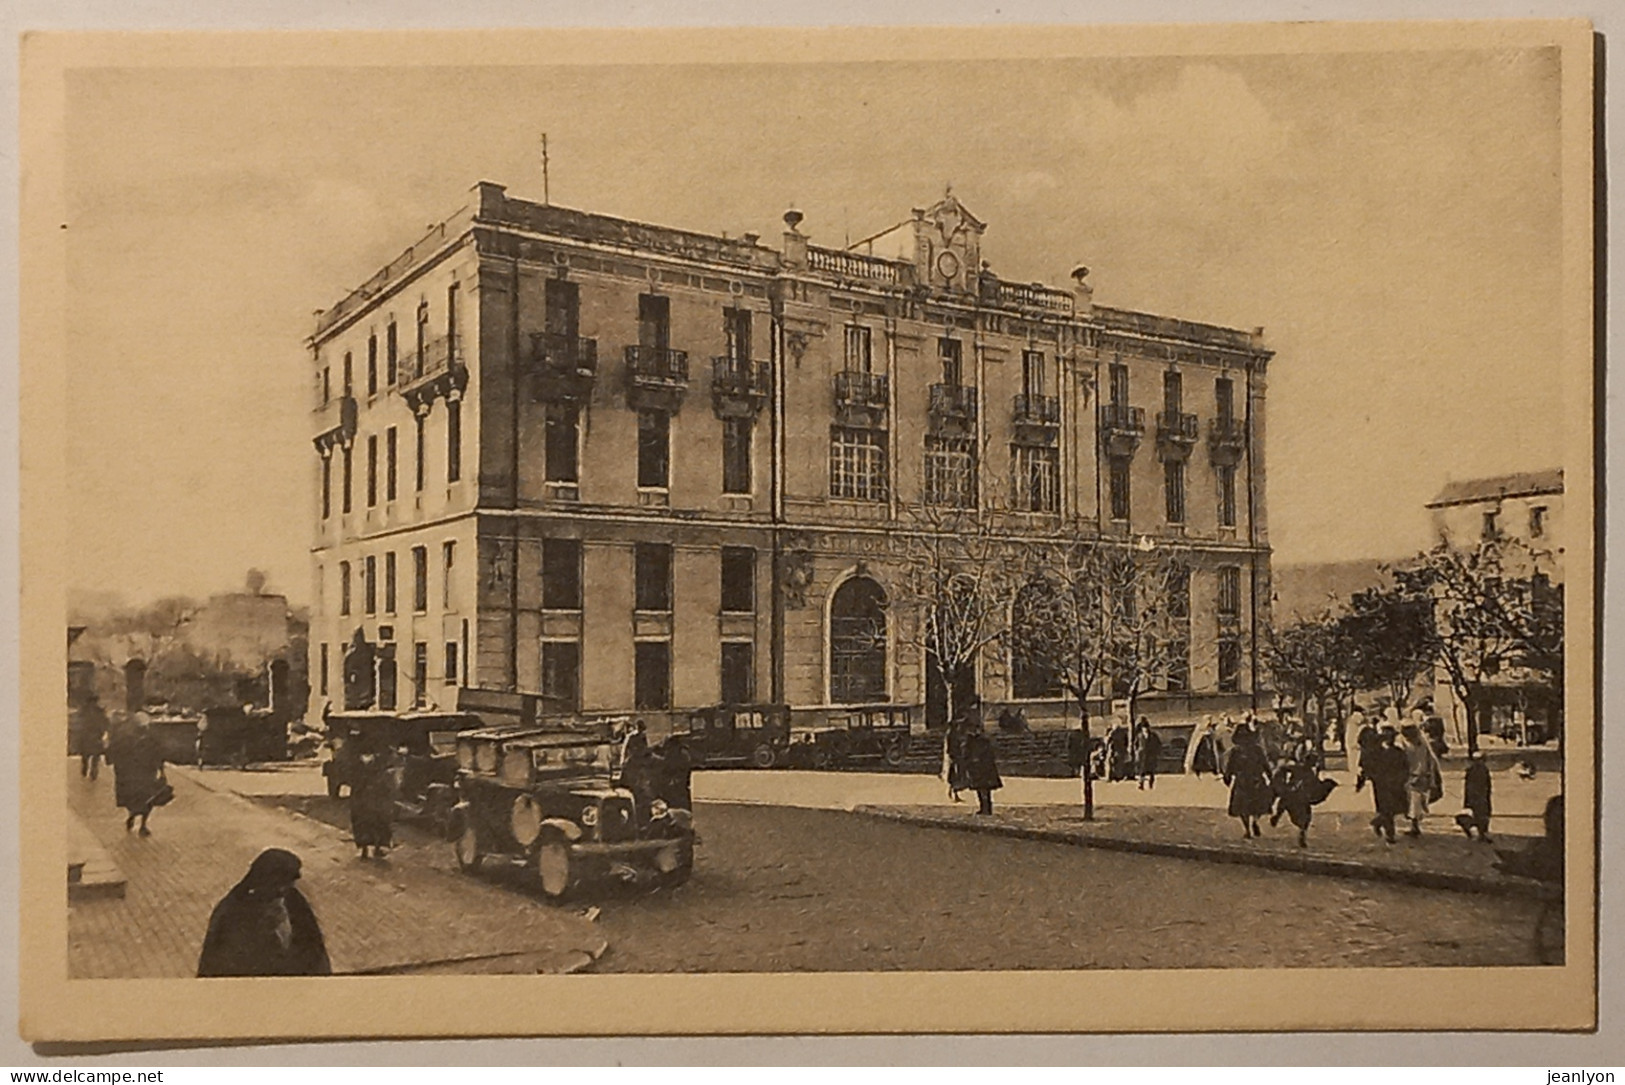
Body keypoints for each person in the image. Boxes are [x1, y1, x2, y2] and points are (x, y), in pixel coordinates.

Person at [197, 848, 332, 977]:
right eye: (279, 886)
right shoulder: (231, 912)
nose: (283, 892)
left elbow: (315, 951)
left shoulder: (295, 902)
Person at [108, 712, 166, 836]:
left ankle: (138, 820)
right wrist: (161, 771)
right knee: (145, 799)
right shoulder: (145, 739)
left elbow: (158, 755)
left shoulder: (131, 738)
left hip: (141, 773)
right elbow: (159, 755)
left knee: (143, 798)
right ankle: (138, 820)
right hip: (143, 772)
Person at [1270, 749, 1338, 847]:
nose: (1313, 764)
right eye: (1312, 761)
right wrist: (1282, 782)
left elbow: (1316, 786)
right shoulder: (1298, 768)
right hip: (1294, 796)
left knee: (1306, 817)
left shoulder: (1310, 773)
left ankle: (1301, 834)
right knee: (1286, 804)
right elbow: (1283, 769)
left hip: (1301, 799)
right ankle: (1278, 816)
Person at [1357, 725, 1410, 844]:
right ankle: (1390, 834)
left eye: (1391, 736)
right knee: (1387, 809)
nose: (1389, 738)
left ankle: (1378, 822)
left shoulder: (1398, 751)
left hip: (1396, 783)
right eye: (1386, 736)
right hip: (1381, 784)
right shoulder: (1374, 751)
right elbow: (1365, 766)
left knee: (1398, 808)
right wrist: (1365, 778)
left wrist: (1404, 779)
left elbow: (1405, 767)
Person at [1223, 723, 1273, 838]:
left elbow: (1229, 767)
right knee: (1258, 804)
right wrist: (1270, 776)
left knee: (1243, 807)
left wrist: (1228, 778)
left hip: (1242, 781)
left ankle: (1247, 829)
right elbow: (1265, 764)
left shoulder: (1235, 751)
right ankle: (1255, 821)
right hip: (1256, 779)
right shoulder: (1257, 749)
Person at [348, 746, 396, 859]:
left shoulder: (379, 767)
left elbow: (385, 784)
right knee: (361, 823)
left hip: (376, 800)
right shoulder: (356, 768)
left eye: (369, 755)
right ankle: (363, 847)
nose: (366, 758)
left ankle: (378, 846)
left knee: (379, 822)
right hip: (361, 800)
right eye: (364, 755)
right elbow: (353, 783)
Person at [1400, 722, 1443, 837]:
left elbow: (1426, 762)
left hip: (1417, 776)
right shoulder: (1418, 743)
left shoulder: (1416, 745)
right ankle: (1415, 824)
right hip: (1420, 776)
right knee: (1417, 801)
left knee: (1415, 801)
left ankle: (1415, 826)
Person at [962, 727, 1002, 816]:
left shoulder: (983, 742)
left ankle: (986, 808)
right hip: (977, 768)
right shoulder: (971, 741)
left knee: (984, 789)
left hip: (984, 769)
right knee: (980, 789)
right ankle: (983, 807)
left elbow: (989, 755)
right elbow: (966, 753)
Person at [1456, 749, 1493, 842]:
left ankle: (1479, 833)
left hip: (1475, 797)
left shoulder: (1472, 770)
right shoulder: (1483, 770)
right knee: (1482, 816)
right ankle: (1481, 833)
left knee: (1476, 816)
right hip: (1481, 797)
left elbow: (1468, 787)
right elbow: (1487, 786)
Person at [71, 695, 109, 781]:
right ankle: (93, 772)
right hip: (96, 735)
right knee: (95, 755)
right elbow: (105, 722)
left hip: (86, 735)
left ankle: (85, 769)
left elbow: (79, 722)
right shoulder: (99, 711)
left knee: (85, 755)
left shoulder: (83, 710)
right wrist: (104, 730)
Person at [1133, 717, 1162, 790]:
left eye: (1146, 727)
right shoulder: (1139, 736)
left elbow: (1158, 744)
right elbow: (1135, 744)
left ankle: (1151, 784)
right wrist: (1137, 751)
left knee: (1151, 771)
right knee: (1141, 771)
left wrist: (1156, 752)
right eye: (1144, 728)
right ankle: (1141, 784)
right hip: (1142, 756)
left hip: (1151, 755)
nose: (1145, 729)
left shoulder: (1153, 736)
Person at [1106, 718, 1132, 782]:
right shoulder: (1120, 732)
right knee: (1116, 764)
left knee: (1114, 763)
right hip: (1117, 750)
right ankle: (1116, 776)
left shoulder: (1113, 732)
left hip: (1115, 750)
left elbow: (1107, 741)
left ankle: (1113, 776)